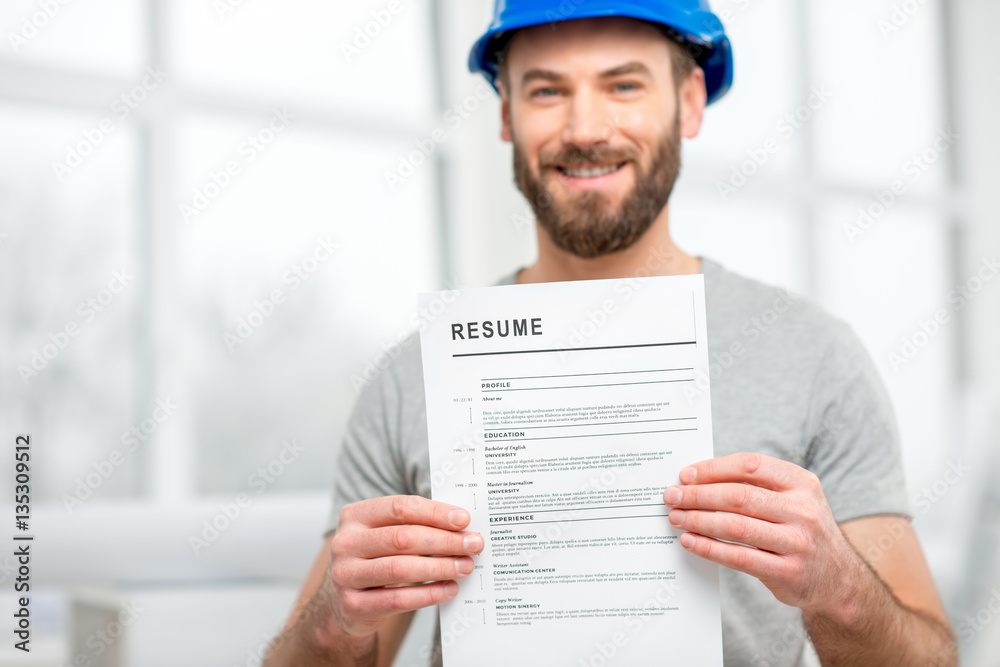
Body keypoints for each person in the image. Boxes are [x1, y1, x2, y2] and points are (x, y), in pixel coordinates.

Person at [264, 1, 957, 665]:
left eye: (623, 84)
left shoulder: (816, 359)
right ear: (504, 113)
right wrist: (336, 615)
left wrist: (837, 584)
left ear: (688, 100)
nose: (586, 127)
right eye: (546, 91)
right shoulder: (412, 379)